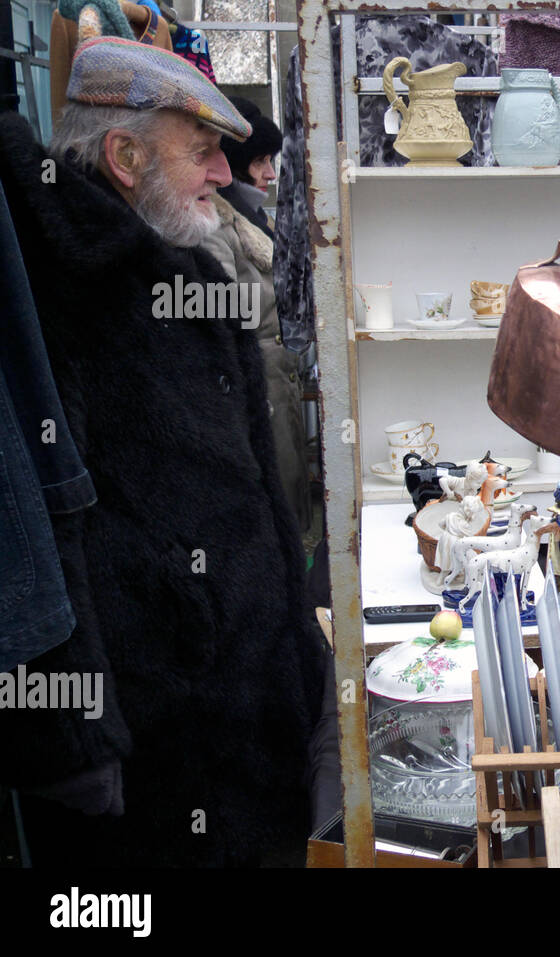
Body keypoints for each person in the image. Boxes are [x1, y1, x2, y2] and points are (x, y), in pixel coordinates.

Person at [0, 34, 327, 864]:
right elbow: (42, 517)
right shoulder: (60, 293)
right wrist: (74, 733)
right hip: (167, 754)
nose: (225, 174)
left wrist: (298, 650)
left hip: (242, 722)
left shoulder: (172, 267)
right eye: (206, 152)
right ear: (123, 154)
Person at [202, 94, 313, 530]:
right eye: (261, 161)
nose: (270, 173)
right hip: (257, 388)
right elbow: (222, 318)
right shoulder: (213, 225)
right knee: (274, 510)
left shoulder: (249, 219)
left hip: (274, 380)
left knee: (286, 500)